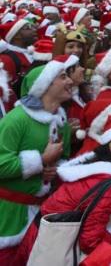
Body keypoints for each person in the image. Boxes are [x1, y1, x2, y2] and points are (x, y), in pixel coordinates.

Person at [15, 115, 111, 264]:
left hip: (41, 239)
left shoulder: (96, 171)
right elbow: (89, 241)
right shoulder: (108, 183)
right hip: (51, 247)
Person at [0, 57, 75, 261]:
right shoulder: (16, 120)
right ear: (44, 85)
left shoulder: (62, 124)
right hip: (7, 217)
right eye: (63, 77)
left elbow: (64, 160)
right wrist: (40, 160)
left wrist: (55, 170)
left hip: (42, 216)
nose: (70, 81)